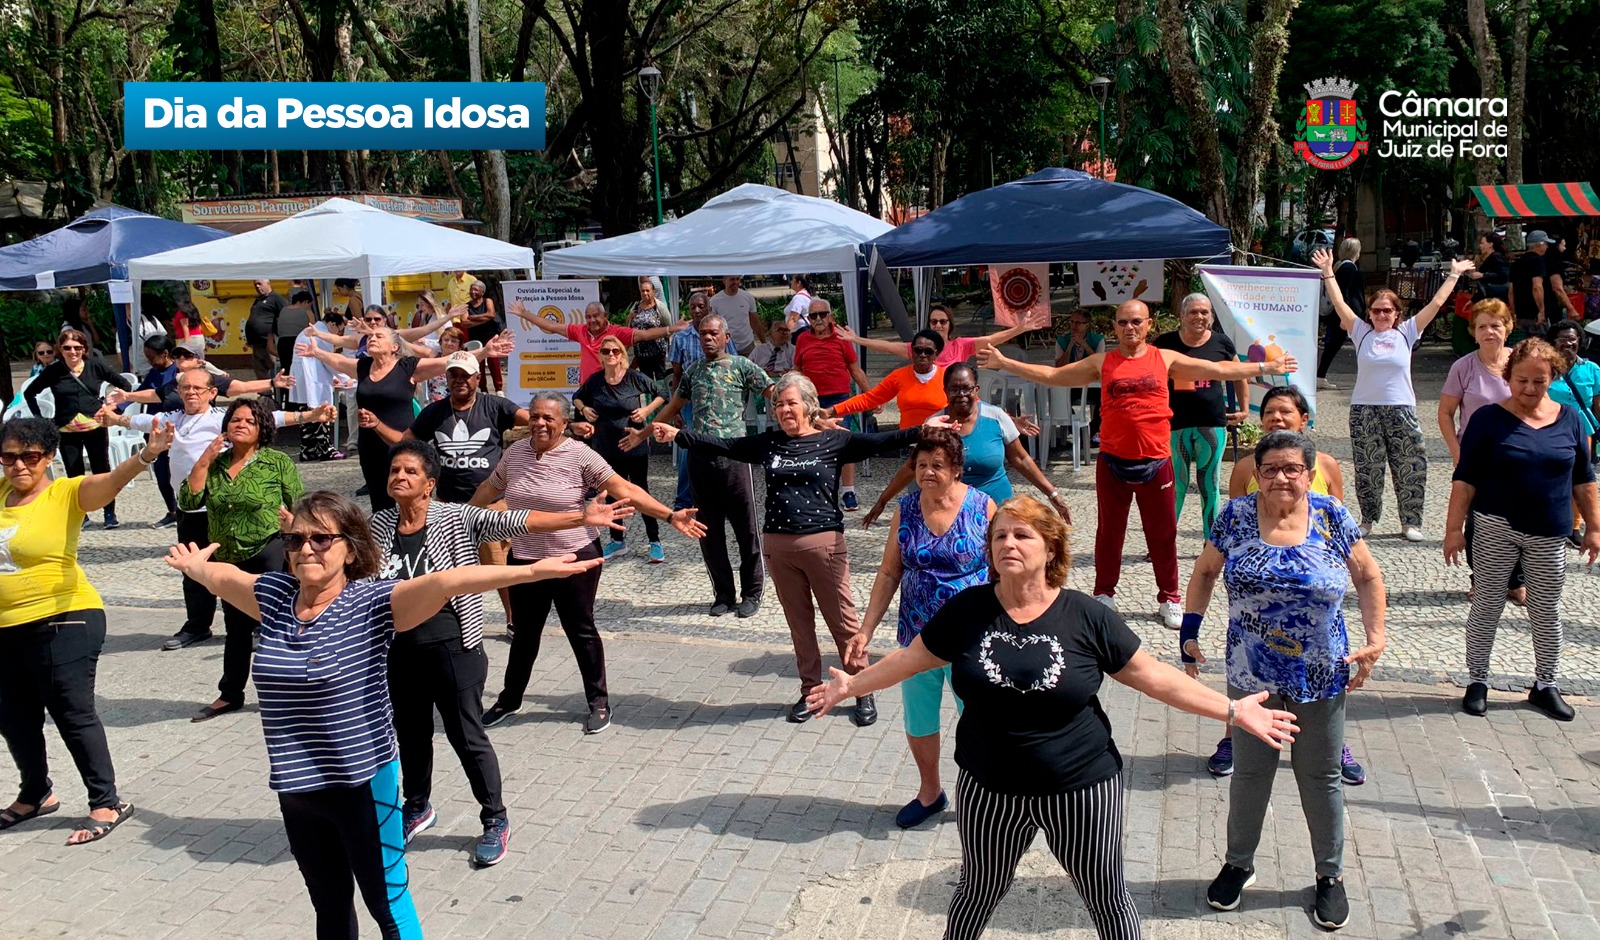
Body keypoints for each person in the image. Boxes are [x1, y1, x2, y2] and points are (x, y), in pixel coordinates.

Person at [807, 496, 1300, 940]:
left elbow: (1154, 677)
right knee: (977, 890)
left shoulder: (1086, 616)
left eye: (1022, 534)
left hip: (1082, 788)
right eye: (999, 535)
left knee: (1107, 898)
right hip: (990, 788)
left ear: (1051, 548)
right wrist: (851, 685)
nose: (1008, 543)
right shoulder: (967, 610)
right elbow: (909, 660)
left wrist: (1232, 709)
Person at [163, 491, 598, 939]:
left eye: (321, 539)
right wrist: (196, 567)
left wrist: (529, 571)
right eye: (295, 540)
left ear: (350, 548)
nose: (306, 548)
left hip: (362, 784)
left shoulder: (370, 604)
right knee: (328, 904)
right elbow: (223, 576)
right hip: (296, 788)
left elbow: (448, 582)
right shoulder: (274, 597)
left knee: (386, 901)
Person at [372, 441, 632, 866]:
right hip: (400, 649)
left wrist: (579, 516)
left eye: (410, 472)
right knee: (412, 735)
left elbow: (519, 519)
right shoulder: (379, 525)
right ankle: (417, 807)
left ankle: (495, 818)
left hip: (454, 647)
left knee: (465, 736)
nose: (399, 477)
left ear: (429, 485)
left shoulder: (456, 518)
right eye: (394, 471)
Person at [979, 300, 1295, 627]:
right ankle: (1104, 593)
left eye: (1136, 322)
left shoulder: (1165, 358)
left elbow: (1218, 370)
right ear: (1114, 327)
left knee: (1162, 534)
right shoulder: (1102, 362)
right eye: (1123, 322)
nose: (1130, 328)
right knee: (1109, 534)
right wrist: (1005, 362)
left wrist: (1264, 369)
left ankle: (1169, 597)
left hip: (1156, 462)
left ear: (1149, 325)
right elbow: (1054, 375)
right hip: (1113, 462)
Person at [1181, 430, 1387, 930]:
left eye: (1291, 468)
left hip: (1322, 670)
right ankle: (1238, 864)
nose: (1280, 477)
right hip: (1250, 672)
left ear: (1308, 472)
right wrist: (1189, 630)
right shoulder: (1235, 516)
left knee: (1321, 777)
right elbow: (1206, 572)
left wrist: (1376, 637)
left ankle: (1329, 877)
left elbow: (1368, 576)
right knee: (1251, 774)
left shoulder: (1330, 515)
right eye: (1269, 468)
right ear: (1255, 472)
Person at [649, 372, 922, 725]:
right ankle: (810, 690)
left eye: (791, 402)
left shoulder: (833, 441)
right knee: (799, 624)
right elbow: (725, 445)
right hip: (778, 546)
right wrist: (679, 435)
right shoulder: (769, 443)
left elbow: (884, 441)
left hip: (824, 545)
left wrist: (925, 429)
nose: (783, 410)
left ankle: (860, 688)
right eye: (778, 404)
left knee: (843, 623)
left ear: (808, 406)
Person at [473, 393, 705, 733]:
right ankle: (510, 699)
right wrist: (461, 518)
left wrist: (669, 515)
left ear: (565, 424)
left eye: (549, 418)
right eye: (535, 416)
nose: (539, 423)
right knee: (525, 633)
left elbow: (625, 488)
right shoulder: (515, 454)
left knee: (580, 629)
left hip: (574, 557)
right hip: (525, 558)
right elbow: (488, 488)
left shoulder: (580, 455)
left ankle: (598, 702)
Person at [0, 416, 173, 845]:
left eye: (30, 456)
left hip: (65, 617)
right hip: (6, 627)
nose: (19, 465)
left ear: (49, 456)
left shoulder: (65, 493)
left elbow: (111, 482)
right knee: (14, 717)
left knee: (71, 713)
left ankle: (106, 801)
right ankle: (35, 794)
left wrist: (147, 454)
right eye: (9, 457)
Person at [99, 370, 332, 651]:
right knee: (194, 570)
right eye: (185, 388)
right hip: (189, 506)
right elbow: (143, 420)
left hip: (223, 508)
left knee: (241, 569)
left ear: (212, 392)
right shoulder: (174, 419)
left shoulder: (222, 419)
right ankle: (197, 625)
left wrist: (310, 416)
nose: (191, 392)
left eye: (198, 388)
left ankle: (258, 621)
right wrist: (115, 418)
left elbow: (272, 419)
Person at [1446, 339, 1600, 722]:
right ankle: (1477, 680)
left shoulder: (1569, 419)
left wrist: (1595, 529)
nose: (1530, 389)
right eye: (1521, 380)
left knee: (1546, 611)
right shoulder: (1487, 419)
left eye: (1539, 381)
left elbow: (1584, 479)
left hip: (1549, 532)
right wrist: (1453, 529)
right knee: (1487, 605)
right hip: (1495, 526)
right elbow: (1465, 478)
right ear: (1508, 377)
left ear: (1553, 379)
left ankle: (1545, 684)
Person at [1213, 386, 1360, 784]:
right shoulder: (1246, 468)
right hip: (1257, 612)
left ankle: (1334, 745)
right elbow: (1234, 530)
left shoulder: (1326, 467)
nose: (1276, 418)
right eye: (1270, 413)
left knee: (1321, 715)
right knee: (1249, 686)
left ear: (1304, 419)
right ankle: (1233, 736)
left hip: (1313, 598)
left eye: (1285, 412)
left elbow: (1344, 538)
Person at [855, 429, 995, 828]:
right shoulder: (907, 508)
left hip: (972, 639)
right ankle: (930, 792)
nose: (927, 473)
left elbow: (1004, 567)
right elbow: (888, 572)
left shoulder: (983, 506)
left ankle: (983, 794)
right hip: (917, 637)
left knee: (979, 721)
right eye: (920, 465)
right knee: (919, 720)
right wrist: (865, 631)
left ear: (956, 470)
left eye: (937, 465)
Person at [1314, 247, 1471, 540]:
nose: (1382, 315)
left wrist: (1454, 274)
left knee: (1410, 464)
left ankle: (1410, 522)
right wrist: (1328, 271)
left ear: (1397, 313)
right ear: (1369, 314)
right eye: (1377, 310)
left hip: (1401, 408)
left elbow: (1436, 303)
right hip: (1364, 409)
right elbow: (1338, 302)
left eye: (1388, 310)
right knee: (1367, 467)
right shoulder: (1360, 332)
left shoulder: (1407, 331)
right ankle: (1367, 519)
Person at [625, 315, 771, 613]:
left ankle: (752, 593)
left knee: (747, 529)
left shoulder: (742, 366)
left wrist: (807, 416)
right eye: (703, 333)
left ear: (726, 337)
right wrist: (643, 434)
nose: (707, 338)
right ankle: (724, 595)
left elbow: (772, 392)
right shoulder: (693, 371)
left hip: (736, 457)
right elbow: (673, 406)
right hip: (700, 457)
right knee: (709, 530)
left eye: (713, 333)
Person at [178, 397, 306, 722]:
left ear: (262, 427)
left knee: (278, 625)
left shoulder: (277, 462)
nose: (241, 425)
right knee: (236, 628)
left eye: (249, 420)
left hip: (269, 550)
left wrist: (295, 530)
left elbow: (299, 506)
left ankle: (292, 693)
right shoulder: (217, 465)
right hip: (229, 557)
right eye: (235, 420)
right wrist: (205, 460)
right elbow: (188, 499)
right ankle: (229, 694)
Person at [302, 326, 511, 512]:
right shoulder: (364, 366)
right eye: (370, 336)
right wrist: (318, 353)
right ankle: (385, 544)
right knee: (379, 500)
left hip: (403, 442)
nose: (371, 339)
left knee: (410, 496)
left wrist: (484, 352)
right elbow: (338, 361)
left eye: (379, 336)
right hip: (370, 444)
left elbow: (445, 362)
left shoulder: (407, 367)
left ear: (394, 347)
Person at [864, 364, 1067, 524]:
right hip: (950, 512)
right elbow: (912, 465)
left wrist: (1052, 493)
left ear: (976, 389)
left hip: (996, 510)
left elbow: (1021, 459)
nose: (961, 395)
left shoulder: (996, 417)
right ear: (945, 391)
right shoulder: (935, 423)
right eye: (954, 389)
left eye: (966, 388)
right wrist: (883, 500)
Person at [1437, 300, 1526, 606]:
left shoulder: (1521, 363)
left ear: (1508, 329)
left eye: (1496, 325)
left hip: (1519, 455)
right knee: (1478, 522)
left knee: (1519, 519)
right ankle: (1482, 579)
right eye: (1483, 326)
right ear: (1473, 332)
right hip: (1476, 457)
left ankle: (1515, 581)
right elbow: (1446, 413)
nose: (1490, 332)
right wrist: (1456, 450)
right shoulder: (1463, 367)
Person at [1153, 293, 1248, 536]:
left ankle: (1211, 542)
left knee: (1210, 485)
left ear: (1211, 317)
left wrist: (1244, 408)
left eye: (1204, 312)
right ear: (1182, 316)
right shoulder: (1165, 343)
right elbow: (1149, 377)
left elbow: (1239, 374)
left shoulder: (1221, 343)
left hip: (1211, 422)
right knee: (1175, 486)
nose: (1199, 317)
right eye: (1193, 312)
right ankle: (1163, 541)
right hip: (1175, 424)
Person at [24, 329, 133, 529]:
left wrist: (113, 407)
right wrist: (42, 420)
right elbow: (30, 393)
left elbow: (126, 385)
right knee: (75, 473)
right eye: (67, 348)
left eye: (77, 348)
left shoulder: (95, 366)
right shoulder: (54, 371)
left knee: (101, 470)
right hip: (66, 429)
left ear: (84, 349)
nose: (72, 352)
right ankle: (80, 514)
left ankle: (109, 512)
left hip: (95, 425)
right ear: (60, 350)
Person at [575, 336, 667, 561]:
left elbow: (662, 394)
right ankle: (617, 541)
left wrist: (646, 411)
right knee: (611, 496)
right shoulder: (595, 381)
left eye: (615, 351)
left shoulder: (634, 378)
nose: (611, 355)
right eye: (606, 351)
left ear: (622, 355)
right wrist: (585, 409)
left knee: (641, 493)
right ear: (601, 356)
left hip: (633, 446)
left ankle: (654, 541)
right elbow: (577, 397)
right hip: (605, 448)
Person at [796, 298, 875, 510]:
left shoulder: (842, 338)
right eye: (814, 316)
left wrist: (873, 396)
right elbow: (797, 369)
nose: (819, 319)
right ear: (808, 319)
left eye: (822, 314)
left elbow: (855, 370)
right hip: (812, 400)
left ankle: (848, 490)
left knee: (844, 444)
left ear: (830, 315)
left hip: (840, 399)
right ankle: (819, 489)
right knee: (812, 444)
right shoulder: (803, 339)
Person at [666, 292, 735, 509]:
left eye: (700, 306)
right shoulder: (680, 338)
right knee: (688, 451)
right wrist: (674, 410)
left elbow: (732, 364)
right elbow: (676, 375)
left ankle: (720, 499)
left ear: (709, 309)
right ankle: (684, 501)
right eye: (692, 306)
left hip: (719, 401)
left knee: (720, 450)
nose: (696, 310)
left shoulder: (720, 335)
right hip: (689, 402)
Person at [512, 300, 687, 384]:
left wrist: (671, 329)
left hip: (611, 388)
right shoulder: (579, 331)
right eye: (588, 317)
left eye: (596, 316)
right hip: (587, 390)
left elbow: (645, 335)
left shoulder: (616, 332)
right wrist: (524, 313)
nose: (592, 320)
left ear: (605, 316)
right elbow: (551, 325)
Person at [838, 302, 1030, 368]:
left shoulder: (961, 345)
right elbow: (887, 346)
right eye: (934, 321)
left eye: (943, 321)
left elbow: (990, 340)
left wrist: (1018, 329)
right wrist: (857, 339)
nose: (938, 325)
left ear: (949, 324)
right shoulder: (920, 349)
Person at [824, 329, 948, 430]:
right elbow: (869, 399)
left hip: (940, 440)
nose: (922, 355)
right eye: (918, 350)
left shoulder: (947, 377)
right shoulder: (899, 376)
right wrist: (833, 410)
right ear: (912, 351)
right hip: (908, 441)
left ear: (936, 354)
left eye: (928, 351)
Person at [1316, 238, 1366, 389]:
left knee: (1334, 345)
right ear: (1356, 252)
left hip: (1342, 314)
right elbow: (1345, 294)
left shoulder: (1341, 267)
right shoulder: (1349, 268)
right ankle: (1320, 376)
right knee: (1341, 345)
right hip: (1346, 315)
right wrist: (1345, 316)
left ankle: (1320, 376)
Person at [626, 277, 676, 396]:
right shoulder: (636, 306)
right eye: (643, 291)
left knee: (660, 379)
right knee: (645, 381)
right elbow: (628, 326)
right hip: (641, 353)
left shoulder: (660, 307)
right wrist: (629, 318)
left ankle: (662, 404)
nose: (645, 293)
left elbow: (668, 327)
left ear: (653, 292)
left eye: (648, 290)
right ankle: (650, 410)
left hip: (657, 351)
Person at [461, 280, 504, 391]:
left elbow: (491, 314)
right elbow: (464, 322)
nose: (472, 292)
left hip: (490, 335)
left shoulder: (487, 301)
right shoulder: (466, 306)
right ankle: (483, 388)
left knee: (493, 361)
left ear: (482, 291)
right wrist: (484, 319)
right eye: (471, 289)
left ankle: (498, 388)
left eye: (475, 289)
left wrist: (472, 317)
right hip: (475, 336)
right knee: (478, 363)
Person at [708, 275, 765, 355]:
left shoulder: (748, 297)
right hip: (726, 347)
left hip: (747, 345)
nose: (735, 282)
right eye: (732, 279)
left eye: (737, 279)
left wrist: (764, 343)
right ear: (724, 280)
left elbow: (755, 322)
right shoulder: (714, 301)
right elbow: (712, 325)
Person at [1509, 231, 1551, 334]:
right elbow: (1537, 287)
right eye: (1546, 244)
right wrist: (1541, 311)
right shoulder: (1538, 261)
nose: (1547, 247)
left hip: (1521, 314)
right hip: (1534, 315)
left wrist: (1514, 313)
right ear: (1539, 244)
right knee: (1540, 346)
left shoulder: (1517, 263)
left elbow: (1511, 291)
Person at [245, 279, 288, 379]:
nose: (257, 286)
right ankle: (265, 393)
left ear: (268, 283)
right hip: (256, 343)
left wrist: (275, 333)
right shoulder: (258, 300)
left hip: (269, 342)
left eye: (260, 284)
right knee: (260, 369)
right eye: (255, 284)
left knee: (275, 367)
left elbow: (284, 316)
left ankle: (279, 392)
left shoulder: (276, 298)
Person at [275, 290, 316, 388]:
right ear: (305, 302)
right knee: (300, 372)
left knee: (286, 370)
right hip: (299, 343)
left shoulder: (283, 310)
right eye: (310, 304)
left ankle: (286, 393)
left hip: (282, 343)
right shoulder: (307, 312)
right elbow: (313, 329)